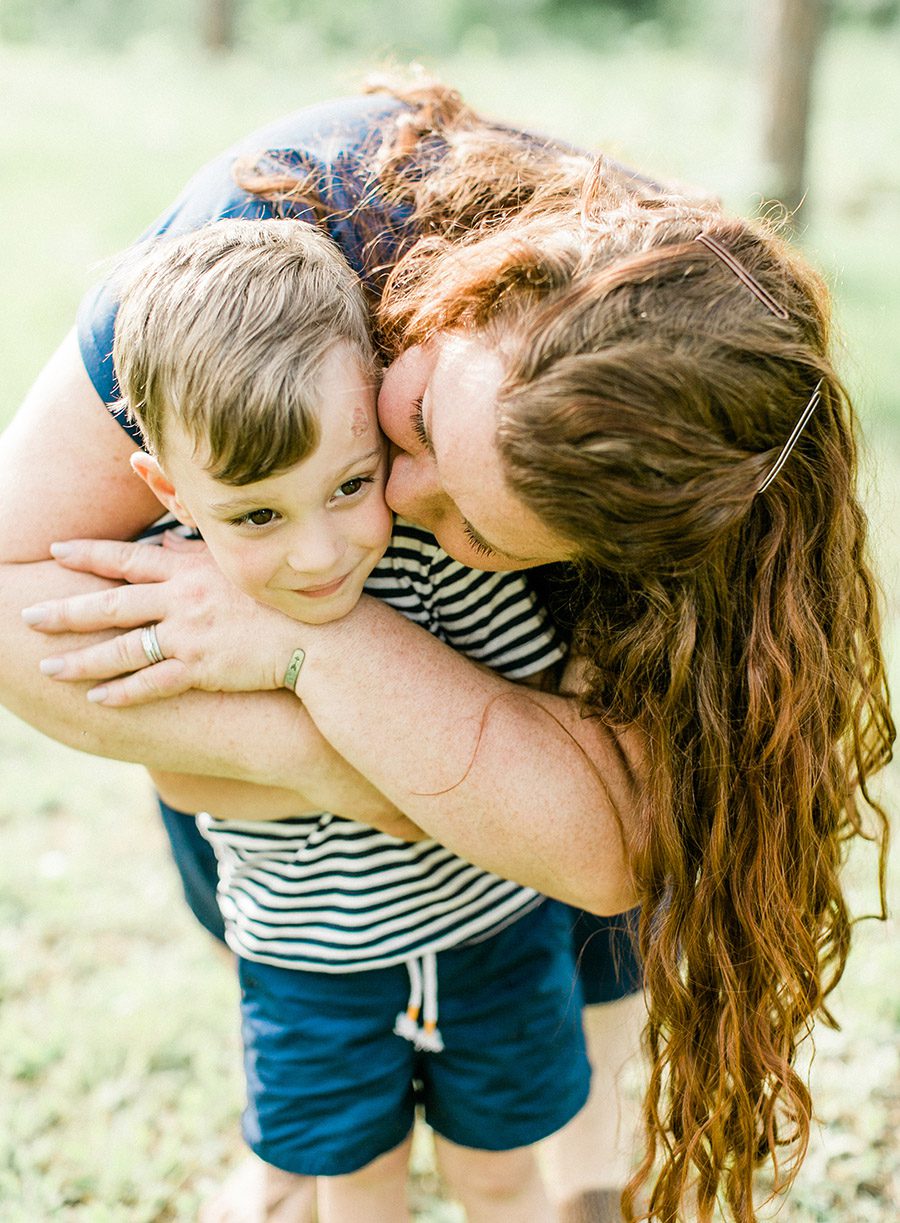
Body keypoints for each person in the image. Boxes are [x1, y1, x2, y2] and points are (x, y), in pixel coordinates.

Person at [2, 77, 891, 1222]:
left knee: (561, 982)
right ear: (470, 294)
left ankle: (588, 1156)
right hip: (310, 909)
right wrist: (332, 746)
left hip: (500, 916)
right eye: (416, 424)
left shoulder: (693, 451)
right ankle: (305, 1153)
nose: (392, 508)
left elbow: (610, 839)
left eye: (480, 529)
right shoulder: (253, 245)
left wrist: (315, 660)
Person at [102, 213, 591, 1223]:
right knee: (356, 1188)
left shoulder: (431, 559)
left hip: (492, 938)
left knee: (502, 1175)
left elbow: (526, 718)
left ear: (376, 426)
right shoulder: (181, 594)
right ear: (169, 488)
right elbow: (183, 775)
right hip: (308, 967)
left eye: (349, 485)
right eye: (256, 513)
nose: (320, 553)